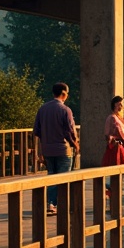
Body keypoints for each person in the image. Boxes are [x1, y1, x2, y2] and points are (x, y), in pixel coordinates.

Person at [32, 81, 79, 215]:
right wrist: (75, 143)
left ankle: (51, 203)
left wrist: (41, 150)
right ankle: (61, 205)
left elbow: (37, 131)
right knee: (63, 178)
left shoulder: (43, 109)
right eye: (67, 93)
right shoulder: (65, 110)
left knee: (51, 176)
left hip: (47, 150)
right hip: (63, 149)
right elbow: (68, 130)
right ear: (64, 94)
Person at [101, 96, 124, 167]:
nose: (123, 106)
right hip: (115, 148)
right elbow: (107, 134)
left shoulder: (121, 118)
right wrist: (112, 140)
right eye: (121, 104)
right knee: (115, 167)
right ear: (116, 104)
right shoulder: (111, 118)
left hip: (123, 147)